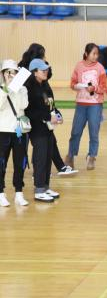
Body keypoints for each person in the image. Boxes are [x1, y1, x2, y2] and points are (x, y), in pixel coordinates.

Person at [18, 43, 75, 176]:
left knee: (47, 140)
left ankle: (54, 168)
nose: (44, 59)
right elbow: (16, 93)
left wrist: (53, 111)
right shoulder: (24, 72)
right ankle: (28, 174)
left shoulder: (41, 76)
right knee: (27, 145)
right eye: (42, 56)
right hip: (26, 115)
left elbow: (48, 95)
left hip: (39, 114)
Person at [24, 59, 61, 202]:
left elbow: (51, 105)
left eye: (46, 69)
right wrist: (47, 117)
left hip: (48, 128)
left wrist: (57, 114)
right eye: (42, 70)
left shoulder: (45, 85)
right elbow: (29, 111)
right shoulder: (29, 87)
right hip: (37, 128)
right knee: (40, 157)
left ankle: (45, 186)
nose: (46, 72)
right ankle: (39, 189)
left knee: (47, 156)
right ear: (34, 72)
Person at [65, 43, 106, 171]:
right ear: (86, 54)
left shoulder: (100, 68)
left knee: (94, 132)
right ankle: (70, 156)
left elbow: (103, 87)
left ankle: (92, 156)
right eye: (93, 53)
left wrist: (94, 88)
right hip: (81, 105)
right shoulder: (79, 66)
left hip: (95, 105)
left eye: (97, 54)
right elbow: (72, 83)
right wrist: (77, 86)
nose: (96, 56)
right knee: (76, 132)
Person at [0, 59, 30, 207]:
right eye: (8, 72)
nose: (11, 75)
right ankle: (1, 193)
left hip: (19, 131)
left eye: (14, 72)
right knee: (2, 163)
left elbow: (23, 105)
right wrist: (6, 88)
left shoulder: (22, 89)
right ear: (3, 74)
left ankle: (19, 193)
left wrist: (16, 87)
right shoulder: (1, 89)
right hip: (3, 131)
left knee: (20, 163)